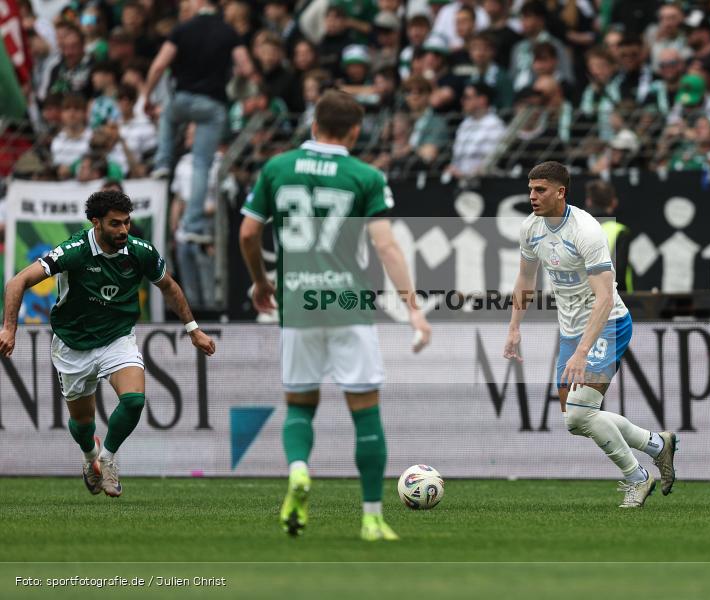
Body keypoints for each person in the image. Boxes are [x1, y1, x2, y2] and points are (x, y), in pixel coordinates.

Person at [238, 90, 431, 540]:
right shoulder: (364, 175)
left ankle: (300, 469)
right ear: (355, 131)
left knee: (300, 406)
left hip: (296, 304)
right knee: (365, 413)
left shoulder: (277, 168)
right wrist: (414, 310)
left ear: (312, 124)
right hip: (347, 304)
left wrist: (261, 282)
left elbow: (248, 232)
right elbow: (386, 246)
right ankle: (370, 517)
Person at [0, 191, 216, 497]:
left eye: (127, 222)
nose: (123, 230)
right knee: (83, 424)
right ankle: (91, 457)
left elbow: (168, 286)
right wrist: (9, 329)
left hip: (117, 338)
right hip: (73, 344)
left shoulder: (139, 251)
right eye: (115, 224)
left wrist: (193, 329)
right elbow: (17, 281)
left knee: (134, 401)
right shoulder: (72, 251)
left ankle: (107, 458)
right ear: (96, 222)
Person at [503, 161, 676, 508]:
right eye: (530, 188)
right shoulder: (530, 228)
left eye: (541, 190)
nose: (532, 196)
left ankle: (637, 478)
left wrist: (582, 351)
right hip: (571, 330)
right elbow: (526, 278)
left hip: (607, 323)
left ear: (560, 192)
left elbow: (605, 297)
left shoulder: (587, 230)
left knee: (582, 413)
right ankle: (658, 445)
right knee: (575, 419)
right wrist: (514, 326)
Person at [145, 0, 256, 242]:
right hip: (212, 106)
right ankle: (193, 223)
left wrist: (146, 97)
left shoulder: (183, 29)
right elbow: (246, 67)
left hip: (182, 99)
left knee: (167, 115)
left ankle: (162, 162)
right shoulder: (229, 32)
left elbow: (159, 65)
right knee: (201, 165)